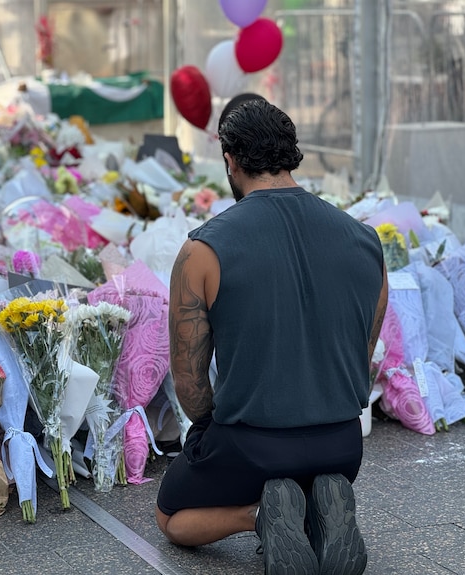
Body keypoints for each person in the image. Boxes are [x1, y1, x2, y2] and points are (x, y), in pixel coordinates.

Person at [156, 99, 388, 575]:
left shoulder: (202, 250)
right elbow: (362, 359)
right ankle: (317, 497)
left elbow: (190, 385)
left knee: (170, 516)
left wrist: (209, 432)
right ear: (292, 154)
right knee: (308, 465)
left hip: (252, 446)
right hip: (342, 444)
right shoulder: (366, 242)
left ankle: (261, 515)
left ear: (230, 160)